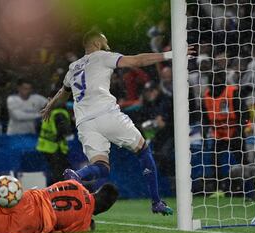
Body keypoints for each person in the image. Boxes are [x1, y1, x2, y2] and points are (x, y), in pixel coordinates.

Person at [41, 30, 195, 215]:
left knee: (102, 167)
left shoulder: (73, 67)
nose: (108, 46)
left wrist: (49, 106)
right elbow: (138, 61)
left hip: (84, 123)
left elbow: (63, 92)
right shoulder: (102, 56)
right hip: (106, 114)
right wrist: (172, 54)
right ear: (97, 43)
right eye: (105, 43)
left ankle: (77, 175)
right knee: (143, 150)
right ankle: (156, 202)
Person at [202, 69, 249, 197]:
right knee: (214, 159)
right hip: (219, 133)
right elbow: (205, 117)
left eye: (219, 78)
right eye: (214, 78)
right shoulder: (206, 96)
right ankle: (219, 188)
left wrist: (239, 130)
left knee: (242, 160)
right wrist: (205, 132)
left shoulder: (232, 92)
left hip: (235, 131)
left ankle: (247, 187)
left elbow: (244, 113)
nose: (216, 81)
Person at [36, 104, 73, 185]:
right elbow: (65, 131)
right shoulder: (59, 113)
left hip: (45, 148)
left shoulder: (47, 111)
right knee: (60, 175)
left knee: (53, 173)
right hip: (56, 149)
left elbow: (37, 127)